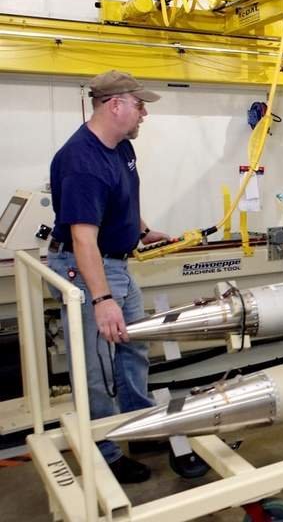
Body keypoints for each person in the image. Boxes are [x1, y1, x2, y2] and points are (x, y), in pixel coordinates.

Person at [47, 70, 170, 483]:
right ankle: (105, 451)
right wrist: (101, 300)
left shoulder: (120, 147)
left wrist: (140, 229)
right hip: (88, 269)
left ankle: (140, 427)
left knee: (134, 347)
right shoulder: (82, 161)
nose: (144, 114)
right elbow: (83, 239)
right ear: (115, 105)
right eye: (139, 105)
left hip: (117, 264)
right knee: (96, 366)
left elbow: (122, 198)